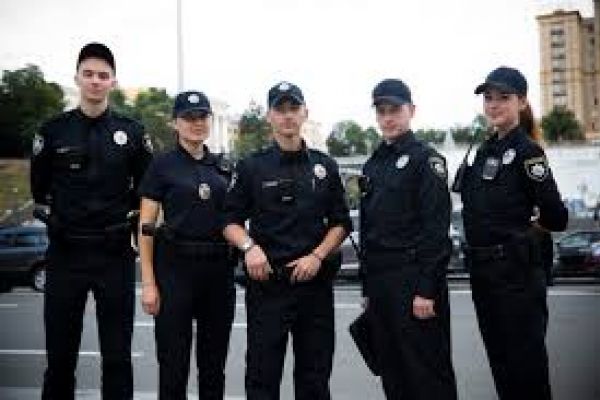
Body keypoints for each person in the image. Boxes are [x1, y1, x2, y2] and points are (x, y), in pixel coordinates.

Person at [30, 42, 153, 400]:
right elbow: (39, 188)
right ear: (77, 79)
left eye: (103, 75)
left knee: (117, 358)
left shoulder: (133, 133)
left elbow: (147, 193)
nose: (96, 81)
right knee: (60, 357)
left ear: (113, 81)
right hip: (65, 254)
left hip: (114, 255)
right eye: (89, 74)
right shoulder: (53, 131)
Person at [223, 81, 352, 400]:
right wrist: (249, 248)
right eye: (280, 110)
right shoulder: (252, 166)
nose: (287, 116)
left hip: (314, 286)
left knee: (315, 379)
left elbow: (341, 223)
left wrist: (318, 256)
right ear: (269, 116)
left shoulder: (324, 166)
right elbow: (228, 221)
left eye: (294, 108)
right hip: (268, 286)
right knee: (262, 379)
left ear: (305, 112)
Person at [456, 66, 568, 400]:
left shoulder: (528, 152)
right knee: (501, 365)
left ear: (521, 102)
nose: (493, 105)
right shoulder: (482, 150)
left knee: (526, 371)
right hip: (483, 273)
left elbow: (557, 216)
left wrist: (526, 232)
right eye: (488, 98)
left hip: (516, 275)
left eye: (503, 97)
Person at [358, 78, 458, 399]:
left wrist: (426, 289)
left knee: (427, 374)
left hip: (413, 281)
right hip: (381, 284)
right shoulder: (373, 164)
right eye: (381, 111)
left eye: (395, 110)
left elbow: (436, 230)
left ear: (411, 111)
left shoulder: (425, 161)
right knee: (393, 374)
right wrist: (367, 289)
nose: (388, 118)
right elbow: (369, 231)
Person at [137, 90, 236, 399]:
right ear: (174, 123)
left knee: (213, 366)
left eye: (202, 116)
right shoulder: (161, 166)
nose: (197, 123)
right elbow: (146, 227)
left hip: (217, 271)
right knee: (173, 364)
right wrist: (149, 283)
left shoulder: (224, 167)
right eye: (188, 117)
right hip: (175, 271)